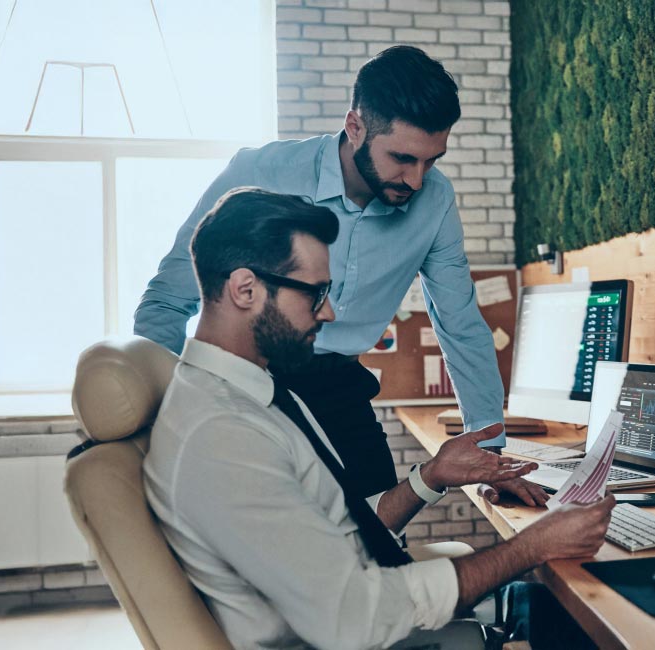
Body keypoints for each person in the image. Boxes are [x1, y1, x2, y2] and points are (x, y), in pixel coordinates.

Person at [143, 188, 614, 649]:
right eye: (316, 293)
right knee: (596, 616)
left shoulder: (253, 395)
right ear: (245, 289)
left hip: (358, 619)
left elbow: (343, 533)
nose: (328, 312)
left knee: (566, 608)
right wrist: (531, 547)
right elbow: (353, 620)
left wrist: (431, 476)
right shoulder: (221, 436)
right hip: (358, 632)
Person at [135, 45, 543, 505]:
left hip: (339, 389)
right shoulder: (261, 172)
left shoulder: (435, 200)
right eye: (403, 158)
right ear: (355, 126)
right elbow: (168, 301)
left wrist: (488, 455)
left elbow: (462, 327)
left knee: (386, 544)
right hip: (248, 384)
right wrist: (165, 421)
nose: (416, 180)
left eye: (432, 161)